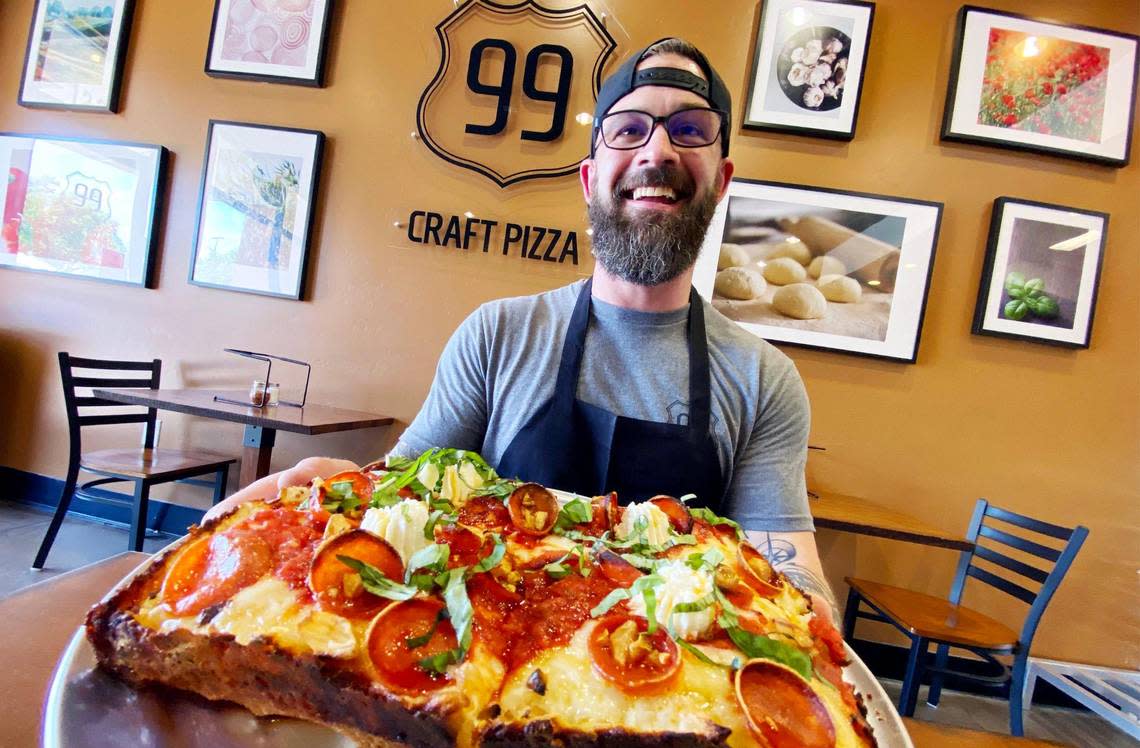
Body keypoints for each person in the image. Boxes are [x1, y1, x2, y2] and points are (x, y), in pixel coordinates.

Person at [207, 38, 837, 621]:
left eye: (691, 130)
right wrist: (334, 490)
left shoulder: (765, 381)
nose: (658, 151)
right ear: (591, 181)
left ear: (721, 180)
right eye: (629, 130)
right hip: (487, 662)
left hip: (667, 693)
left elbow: (789, 571)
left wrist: (812, 626)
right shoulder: (499, 334)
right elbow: (402, 491)